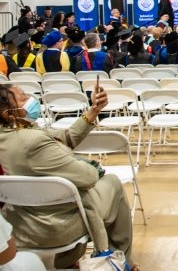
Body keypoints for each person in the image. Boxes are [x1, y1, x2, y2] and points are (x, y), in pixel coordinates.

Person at [0, 84, 136, 270]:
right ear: (8, 113)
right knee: (112, 182)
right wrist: (93, 166)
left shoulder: (14, 134)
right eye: (23, 98)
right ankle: (119, 260)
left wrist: (94, 110)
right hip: (56, 225)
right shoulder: (32, 142)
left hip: (21, 223)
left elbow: (65, 137)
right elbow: (87, 177)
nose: (31, 100)